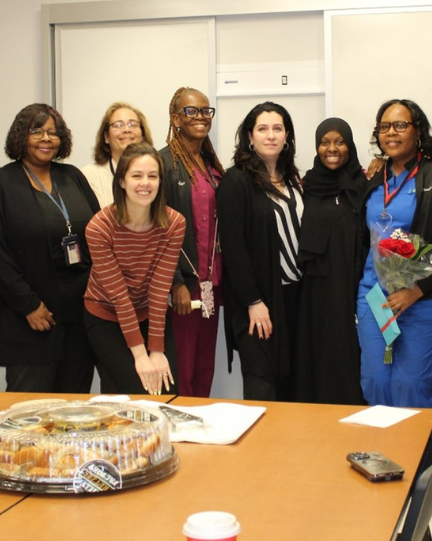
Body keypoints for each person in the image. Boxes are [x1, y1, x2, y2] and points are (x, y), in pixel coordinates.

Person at [0, 103, 100, 393]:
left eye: (53, 133)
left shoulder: (72, 177)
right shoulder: (1, 184)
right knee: (30, 413)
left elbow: (98, 234)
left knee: (73, 408)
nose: (46, 139)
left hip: (78, 317)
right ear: (21, 137)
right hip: (29, 320)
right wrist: (28, 305)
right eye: (37, 132)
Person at [356, 99, 432, 408]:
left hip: (426, 299)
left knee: (411, 386)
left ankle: (415, 457)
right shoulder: (371, 179)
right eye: (384, 127)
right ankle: (381, 454)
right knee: (376, 381)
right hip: (375, 297)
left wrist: (416, 290)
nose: (391, 133)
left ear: (418, 131)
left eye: (400, 125)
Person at [84, 143, 186, 395]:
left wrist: (157, 350)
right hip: (106, 315)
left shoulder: (174, 223)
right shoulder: (99, 227)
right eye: (136, 176)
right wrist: (140, 355)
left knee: (166, 390)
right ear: (121, 181)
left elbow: (160, 289)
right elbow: (118, 295)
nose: (145, 183)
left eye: (153, 176)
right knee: (136, 390)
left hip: (150, 311)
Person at [218, 101, 304, 401]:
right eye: (263, 129)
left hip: (293, 298)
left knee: (290, 383)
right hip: (257, 302)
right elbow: (233, 248)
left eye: (277, 129)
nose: (271, 135)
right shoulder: (236, 181)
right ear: (250, 137)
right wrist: (253, 300)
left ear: (287, 136)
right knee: (262, 383)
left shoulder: (292, 178)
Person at [293, 117, 366, 405]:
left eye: (339, 142)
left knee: (352, 355)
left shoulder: (365, 185)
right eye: (325, 142)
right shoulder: (305, 186)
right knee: (318, 356)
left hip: (355, 285)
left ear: (350, 145)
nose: (331, 149)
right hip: (315, 292)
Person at [159, 88, 224, 398]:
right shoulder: (163, 163)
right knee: (181, 367)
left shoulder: (211, 164)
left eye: (205, 111)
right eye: (191, 111)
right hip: (184, 286)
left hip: (212, 284)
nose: (200, 117)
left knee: (203, 366)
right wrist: (174, 283)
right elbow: (156, 229)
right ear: (175, 118)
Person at [81, 102, 153, 207]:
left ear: (142, 134)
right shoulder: (89, 175)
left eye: (132, 124)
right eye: (118, 125)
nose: (126, 130)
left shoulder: (156, 172)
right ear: (106, 136)